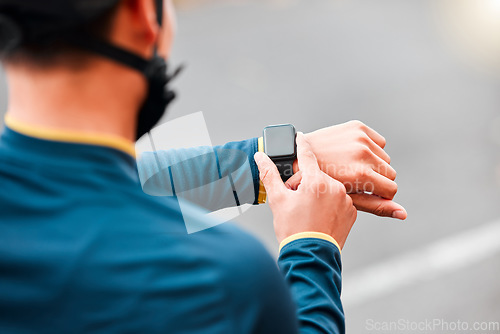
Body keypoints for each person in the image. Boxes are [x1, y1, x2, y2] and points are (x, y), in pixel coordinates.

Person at [0, 0, 407, 333]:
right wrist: (312, 247)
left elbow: (82, 185)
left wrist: (272, 161)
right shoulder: (220, 279)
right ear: (143, 14)